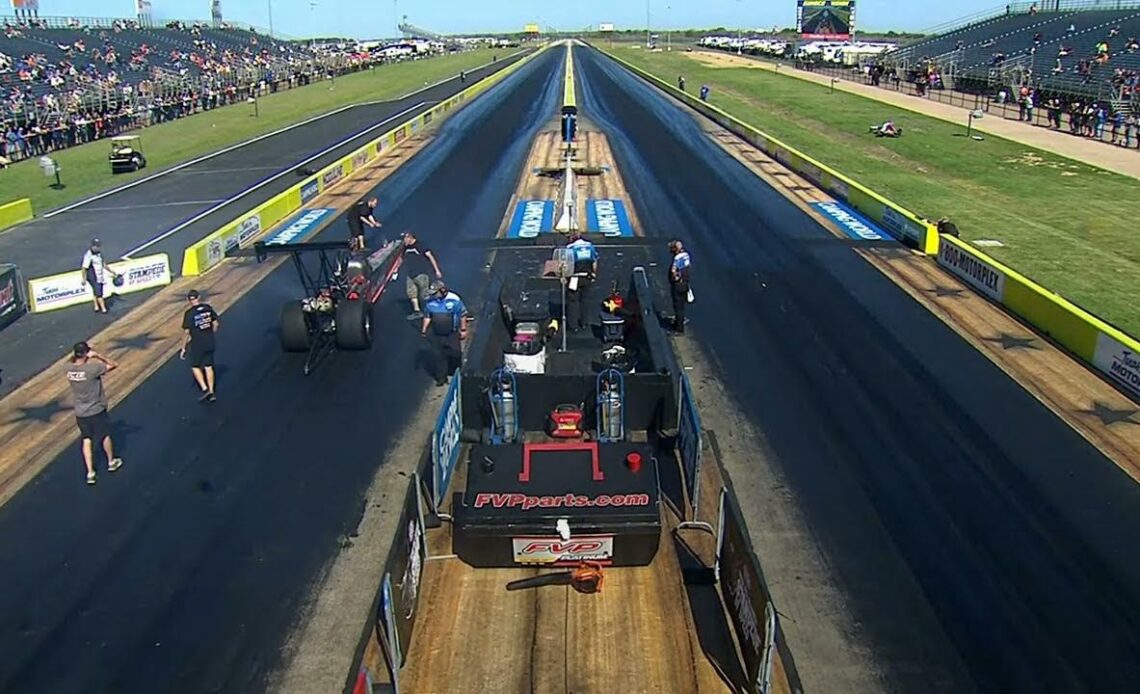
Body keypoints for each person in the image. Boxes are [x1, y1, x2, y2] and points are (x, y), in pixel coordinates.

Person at [66, 341, 123, 485]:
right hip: (96, 409)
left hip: (80, 412)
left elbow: (70, 361)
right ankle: (111, 462)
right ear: (87, 353)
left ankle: (90, 472)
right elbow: (113, 364)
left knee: (86, 439)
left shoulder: (68, 368)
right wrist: (98, 355)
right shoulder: (93, 368)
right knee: (104, 435)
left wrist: (79, 355)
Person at [421, 281, 468, 387]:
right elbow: (427, 316)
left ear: (442, 291)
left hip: (451, 333)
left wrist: (463, 330)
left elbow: (463, 314)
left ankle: (457, 374)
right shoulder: (430, 302)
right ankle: (441, 378)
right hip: (437, 334)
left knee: (455, 353)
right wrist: (424, 330)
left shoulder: (454, 300)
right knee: (438, 356)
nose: (433, 295)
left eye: (435, 293)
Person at [180, 289, 220, 402]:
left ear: (189, 300)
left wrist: (183, 348)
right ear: (199, 297)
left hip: (198, 343)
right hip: (210, 341)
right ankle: (211, 391)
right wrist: (211, 333)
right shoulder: (208, 308)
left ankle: (204, 388)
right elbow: (216, 324)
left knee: (195, 366)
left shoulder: (189, 314)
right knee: (209, 366)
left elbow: (186, 332)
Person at [402, 232, 443, 320]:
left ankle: (434, 307)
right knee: (411, 293)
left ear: (410, 237)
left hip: (421, 273)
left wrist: (437, 270)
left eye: (405, 239)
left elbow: (431, 257)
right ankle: (417, 312)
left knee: (424, 294)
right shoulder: (406, 248)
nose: (403, 241)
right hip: (410, 275)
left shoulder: (421, 246)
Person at [564, 232, 598, 332]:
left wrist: (565, 277)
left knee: (573, 301)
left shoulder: (570, 248)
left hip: (574, 278)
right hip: (586, 277)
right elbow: (595, 261)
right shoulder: (589, 246)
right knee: (585, 300)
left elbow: (567, 263)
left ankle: (573, 325)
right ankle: (584, 323)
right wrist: (593, 274)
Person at [80, 238, 120, 314]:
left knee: (96, 290)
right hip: (93, 276)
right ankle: (103, 309)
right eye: (96, 246)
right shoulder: (88, 255)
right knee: (99, 293)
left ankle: (96, 306)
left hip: (99, 275)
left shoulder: (99, 254)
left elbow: (103, 264)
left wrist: (111, 271)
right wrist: (84, 279)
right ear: (92, 246)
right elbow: (84, 268)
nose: (97, 247)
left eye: (98, 246)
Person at [667, 240, 692, 334]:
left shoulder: (677, 258)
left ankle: (679, 328)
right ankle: (680, 321)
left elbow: (673, 271)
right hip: (685, 284)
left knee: (677, 306)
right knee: (681, 304)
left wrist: (675, 279)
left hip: (678, 286)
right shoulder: (686, 255)